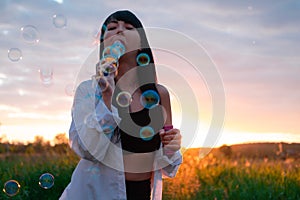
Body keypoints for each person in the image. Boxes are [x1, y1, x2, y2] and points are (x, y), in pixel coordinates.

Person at [60, 10, 182, 200]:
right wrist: (107, 97)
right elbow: (85, 150)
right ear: (103, 42)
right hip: (93, 193)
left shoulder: (160, 95)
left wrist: (172, 146)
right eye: (112, 27)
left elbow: (166, 165)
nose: (119, 31)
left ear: (141, 43)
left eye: (129, 27)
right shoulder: (88, 91)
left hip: (141, 194)